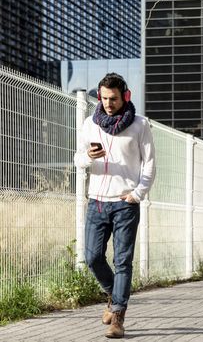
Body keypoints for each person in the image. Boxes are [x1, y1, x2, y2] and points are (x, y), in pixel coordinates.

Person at [74, 72, 156, 339]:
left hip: (125, 204)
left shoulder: (140, 125)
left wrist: (138, 193)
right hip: (97, 201)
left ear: (125, 97)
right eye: (104, 98)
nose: (108, 103)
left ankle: (118, 317)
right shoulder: (89, 124)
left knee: (123, 262)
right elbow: (78, 160)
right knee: (92, 257)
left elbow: (150, 164)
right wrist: (88, 156)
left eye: (114, 99)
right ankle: (113, 292)